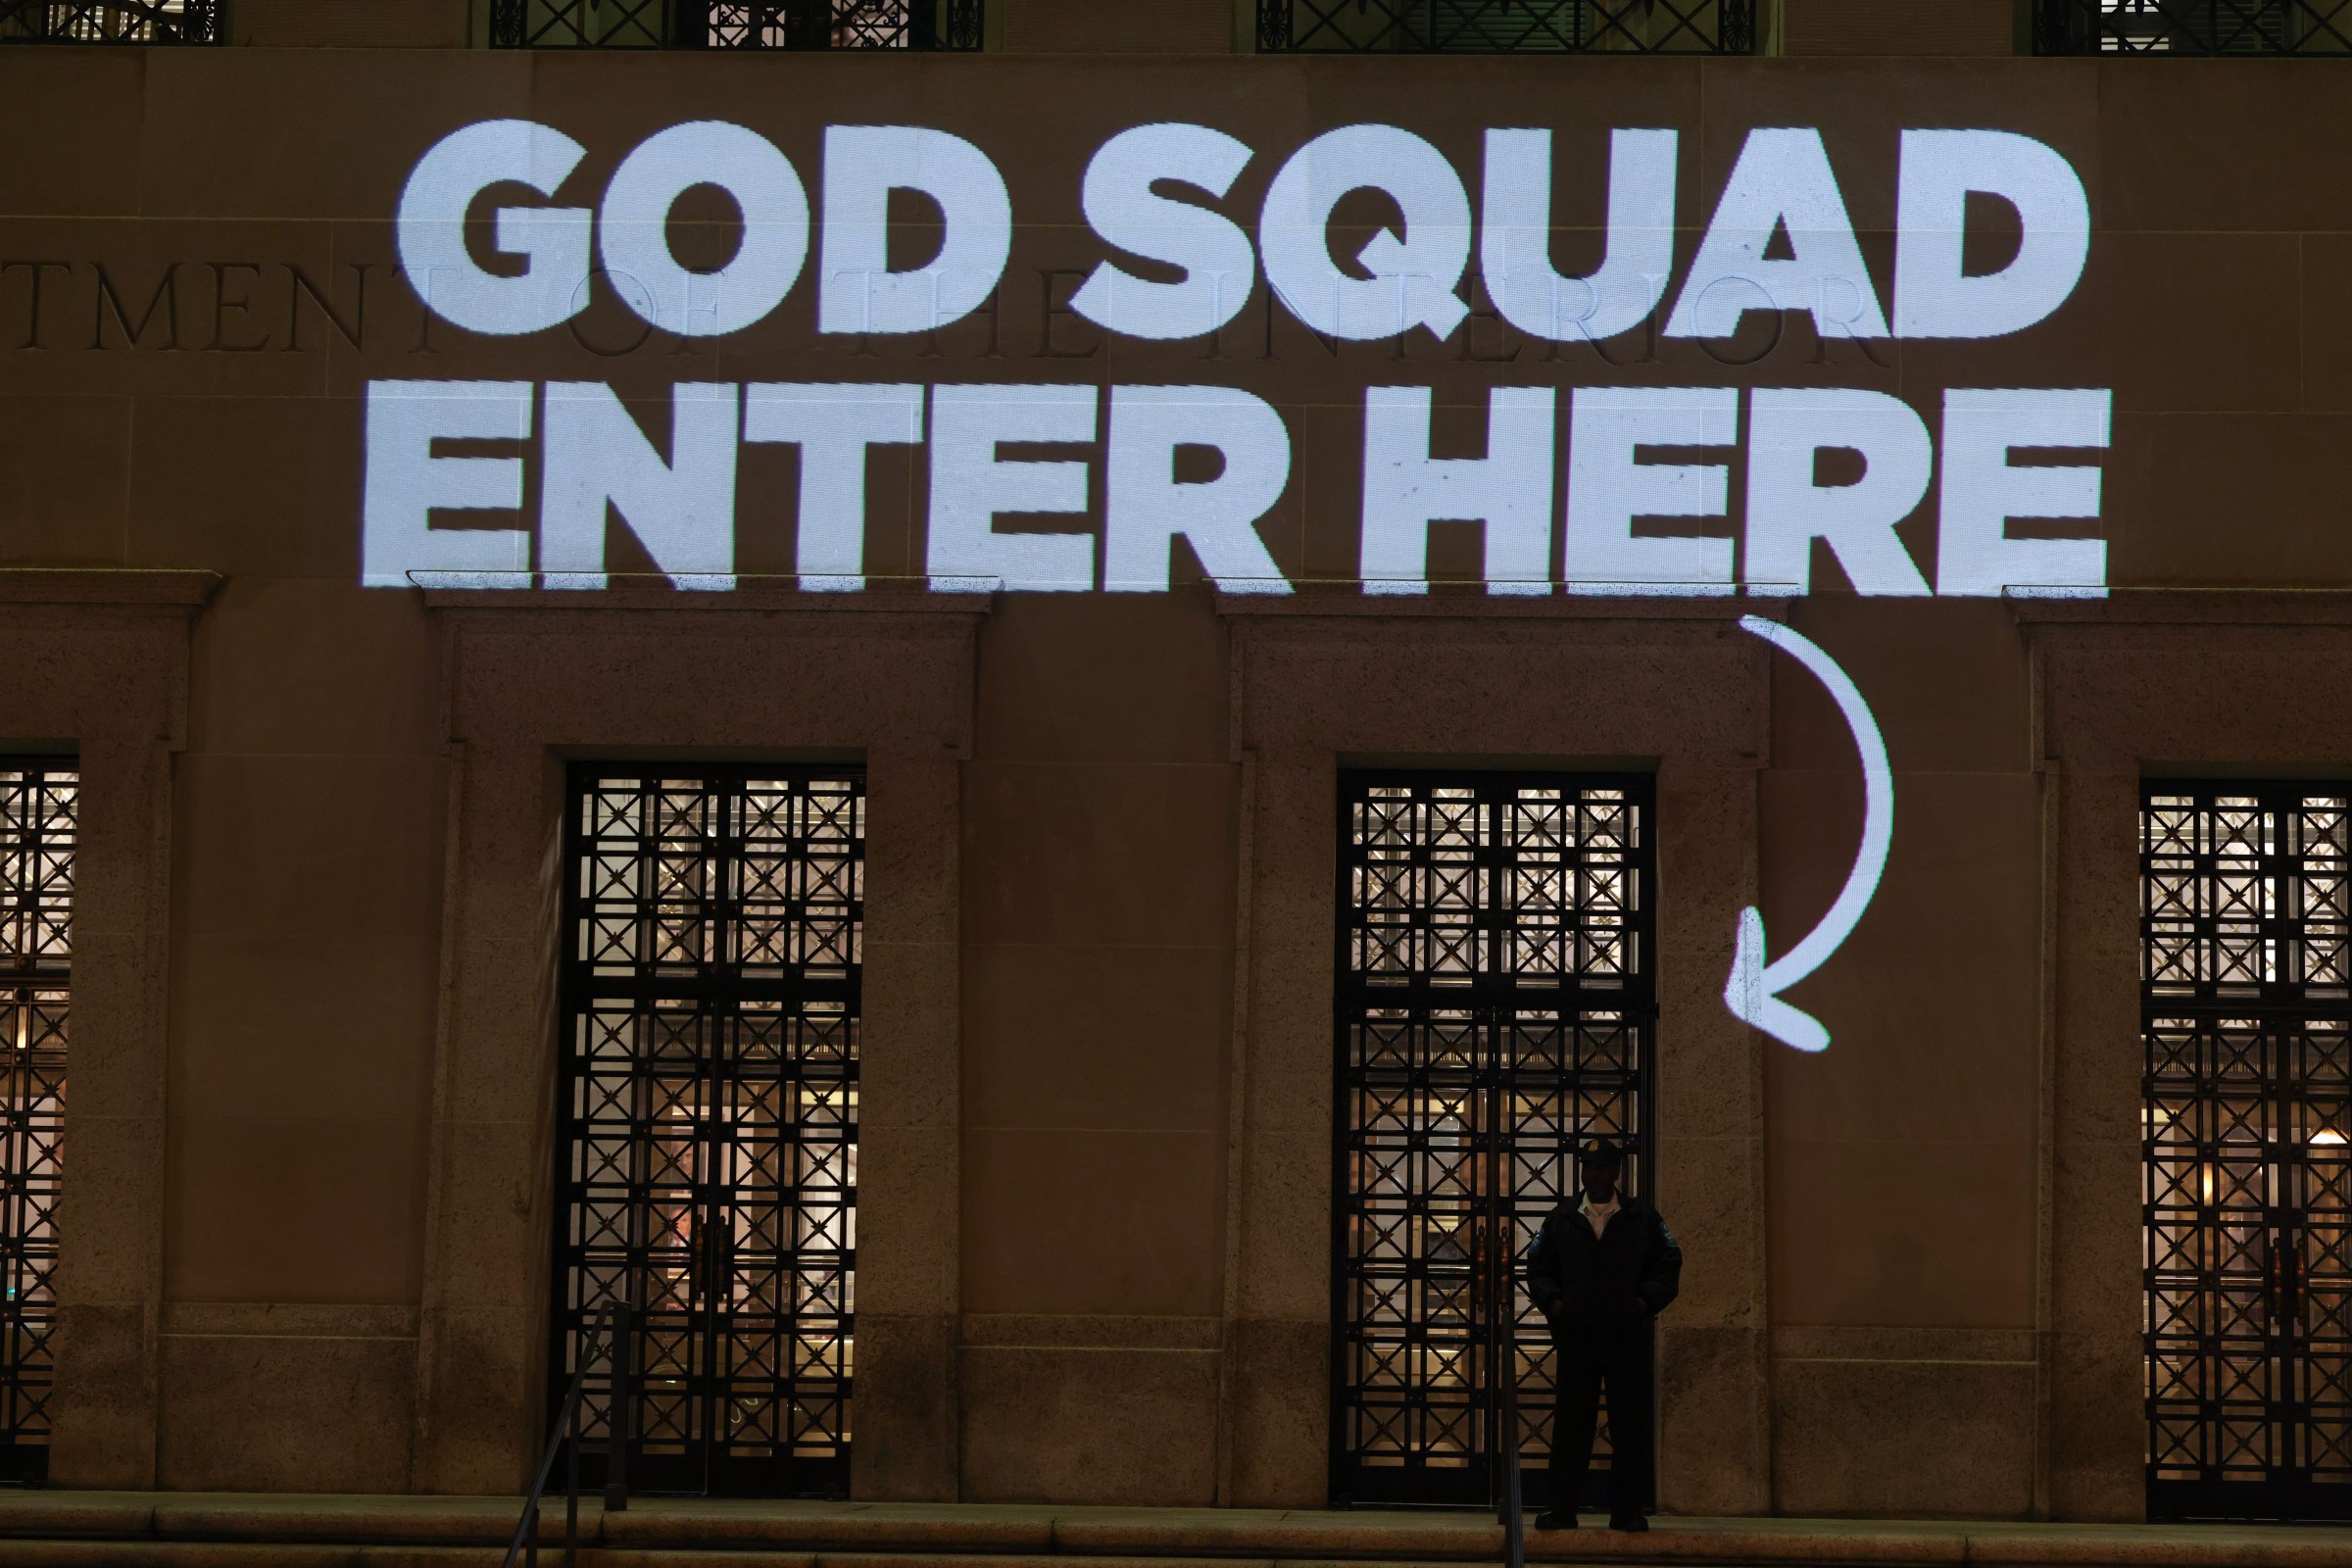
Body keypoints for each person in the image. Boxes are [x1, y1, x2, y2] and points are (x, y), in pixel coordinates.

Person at [1523, 1137, 1681, 1533]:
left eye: (1602, 1167)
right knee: (1572, 1426)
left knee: (1629, 1426)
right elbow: (1537, 1267)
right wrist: (1555, 1305)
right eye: (1588, 1167)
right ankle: (1562, 1509)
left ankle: (1626, 1511)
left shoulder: (1642, 1218)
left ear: (1616, 1172)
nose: (1594, 1175)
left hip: (1626, 1339)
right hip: (1578, 1339)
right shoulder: (1561, 1218)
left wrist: (1643, 1304)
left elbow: (1669, 1265)